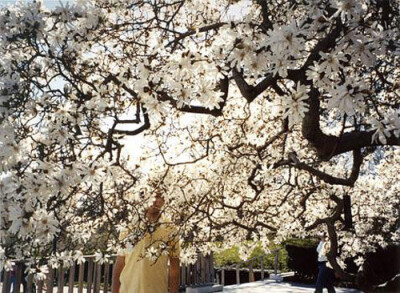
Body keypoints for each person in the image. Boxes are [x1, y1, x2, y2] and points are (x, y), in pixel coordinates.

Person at [112, 193, 180, 293]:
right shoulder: (130, 226)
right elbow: (121, 261)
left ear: (164, 200)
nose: (155, 200)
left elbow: (174, 266)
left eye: (159, 197)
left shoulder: (170, 229)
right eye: (152, 195)